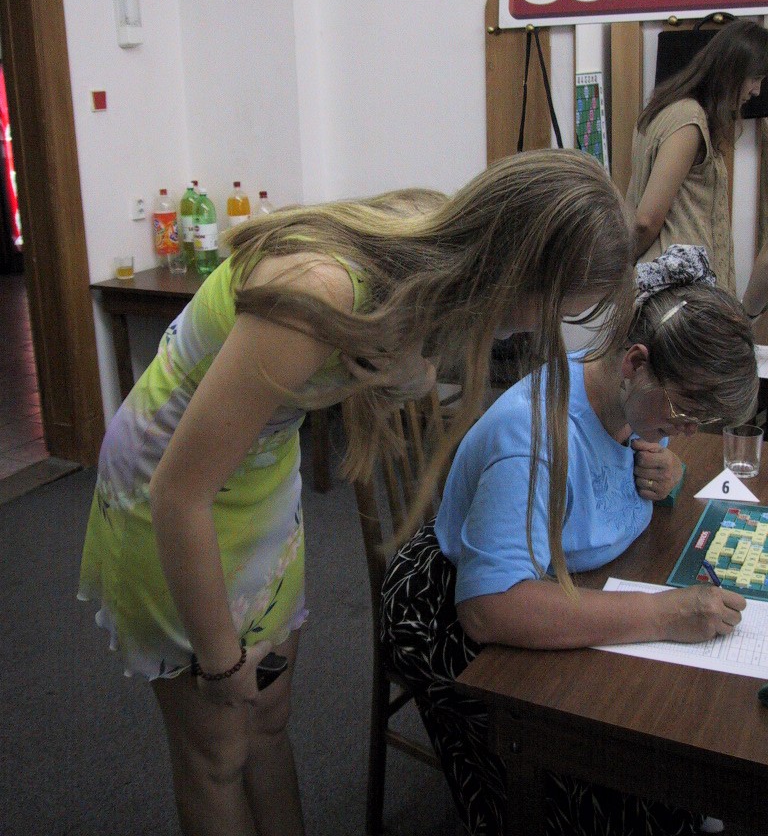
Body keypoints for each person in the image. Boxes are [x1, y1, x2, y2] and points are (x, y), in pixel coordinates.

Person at [77, 149, 634, 836]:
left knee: (269, 720)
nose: (529, 331)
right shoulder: (322, 289)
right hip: (171, 497)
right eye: (542, 312)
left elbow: (404, 370)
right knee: (217, 751)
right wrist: (219, 667)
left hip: (258, 480)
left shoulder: (438, 252)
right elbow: (177, 495)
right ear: (514, 264)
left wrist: (404, 371)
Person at [381, 245, 758, 836]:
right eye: (684, 412)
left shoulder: (627, 395)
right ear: (635, 362)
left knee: (652, 739)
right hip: (459, 608)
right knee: (608, 775)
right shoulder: (533, 438)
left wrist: (670, 476)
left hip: (562, 577)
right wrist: (663, 614)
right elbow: (489, 608)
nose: (685, 429)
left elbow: (612, 476)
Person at [625, 18, 768, 294]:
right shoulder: (687, 119)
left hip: (672, 292)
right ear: (733, 70)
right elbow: (646, 221)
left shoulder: (667, 111)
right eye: (755, 79)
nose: (756, 91)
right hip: (680, 295)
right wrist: (619, 268)